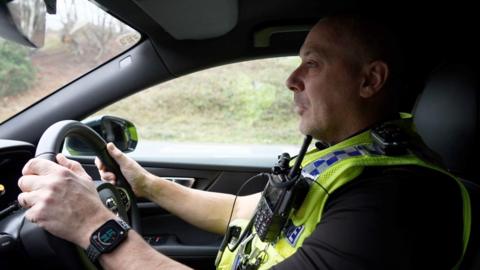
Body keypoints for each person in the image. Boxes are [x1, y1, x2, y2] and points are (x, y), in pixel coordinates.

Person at [17, 14, 469, 270]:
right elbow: (243, 213)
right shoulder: (348, 157)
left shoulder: (399, 200)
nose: (291, 79)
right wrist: (145, 184)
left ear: (370, 80)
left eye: (312, 64)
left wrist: (95, 226)